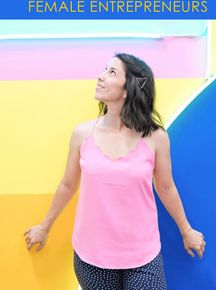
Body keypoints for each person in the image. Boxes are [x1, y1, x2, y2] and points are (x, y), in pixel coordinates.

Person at [23, 53, 206, 289]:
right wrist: (44, 227)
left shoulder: (156, 138)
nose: (100, 77)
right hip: (92, 257)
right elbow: (68, 185)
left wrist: (186, 230)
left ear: (127, 89)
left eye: (111, 73)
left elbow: (165, 186)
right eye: (104, 69)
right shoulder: (82, 134)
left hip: (143, 257)